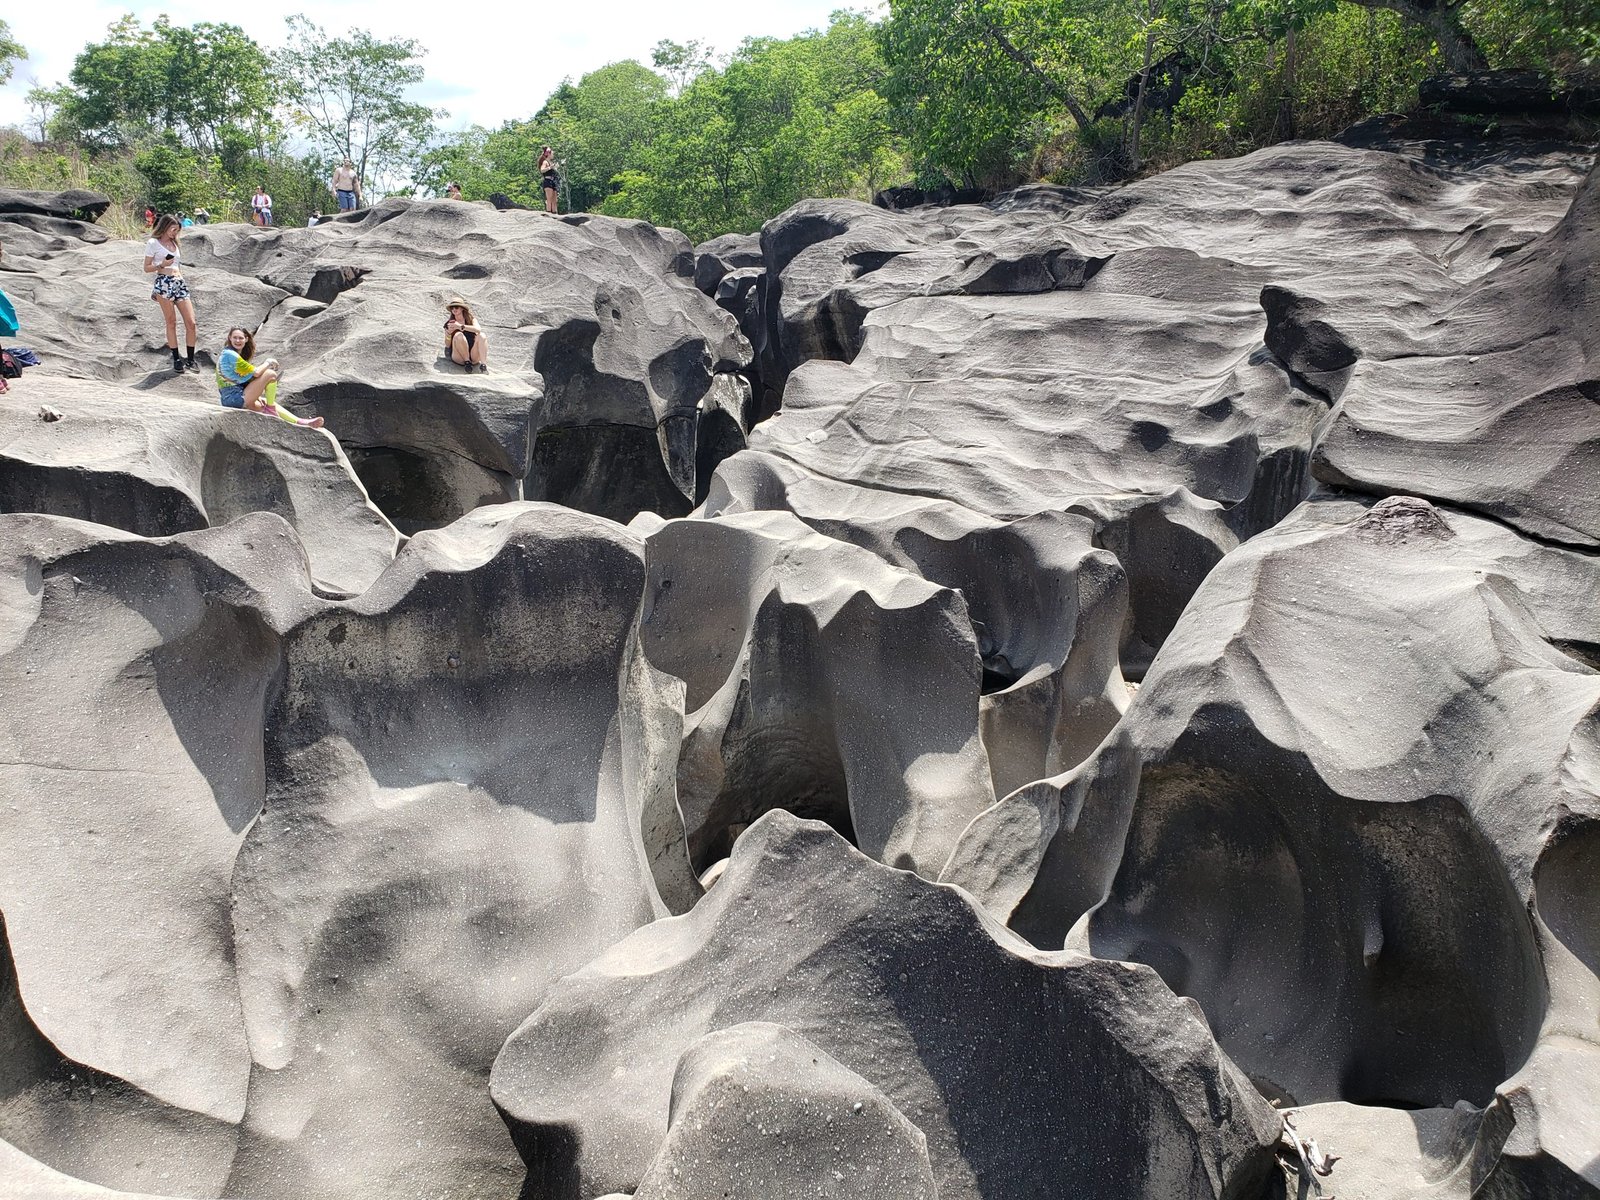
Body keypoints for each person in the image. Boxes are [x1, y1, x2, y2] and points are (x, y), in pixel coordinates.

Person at [216, 327, 324, 427]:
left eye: (240, 338)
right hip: (235, 399)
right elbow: (257, 373)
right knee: (270, 374)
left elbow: (244, 380)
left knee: (266, 402)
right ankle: (271, 410)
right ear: (229, 338)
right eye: (235, 338)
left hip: (232, 399)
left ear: (246, 339)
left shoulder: (229, 354)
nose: (238, 341)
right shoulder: (230, 355)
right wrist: (269, 362)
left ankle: (301, 422)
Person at [144, 215, 199, 373]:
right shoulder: (153, 243)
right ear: (164, 226)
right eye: (172, 229)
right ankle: (176, 358)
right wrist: (161, 264)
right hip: (164, 282)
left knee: (191, 322)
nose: (175, 233)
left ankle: (190, 359)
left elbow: (178, 264)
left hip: (179, 282)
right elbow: (146, 267)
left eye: (177, 230)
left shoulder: (175, 243)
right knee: (171, 322)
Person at [443, 297, 488, 372]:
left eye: (456, 307)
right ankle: (467, 363)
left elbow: (478, 329)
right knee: (458, 335)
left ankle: (483, 365)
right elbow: (447, 345)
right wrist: (449, 334)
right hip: (459, 356)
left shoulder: (471, 320)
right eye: (452, 308)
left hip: (473, 355)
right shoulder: (449, 323)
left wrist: (460, 326)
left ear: (462, 308)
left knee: (482, 335)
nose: (454, 309)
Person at [538, 146, 559, 214]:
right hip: (547, 181)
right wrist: (550, 167)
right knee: (549, 199)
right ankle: (549, 213)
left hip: (553, 181)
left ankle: (554, 212)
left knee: (554, 199)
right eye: (552, 154)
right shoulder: (545, 162)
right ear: (549, 154)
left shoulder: (551, 162)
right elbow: (542, 170)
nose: (553, 155)